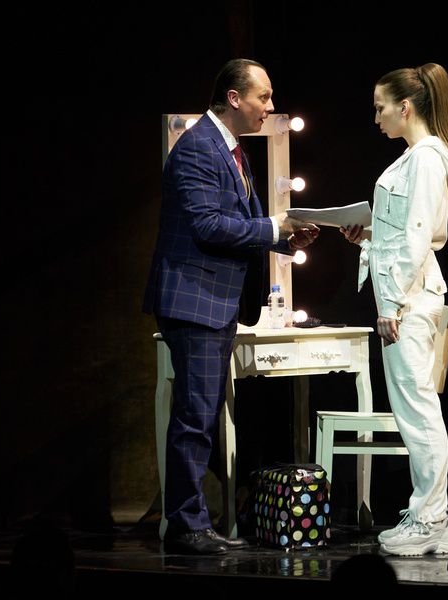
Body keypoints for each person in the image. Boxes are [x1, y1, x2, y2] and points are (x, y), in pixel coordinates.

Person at [143, 58, 319, 554]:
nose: (270, 106)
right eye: (263, 97)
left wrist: (284, 239)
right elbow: (207, 226)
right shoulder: (199, 147)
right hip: (194, 300)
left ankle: (194, 520)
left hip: (214, 302)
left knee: (201, 415)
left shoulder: (230, 149)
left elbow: (236, 220)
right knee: (195, 417)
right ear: (234, 98)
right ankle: (186, 525)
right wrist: (273, 227)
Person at [340, 62, 448, 556]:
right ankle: (426, 513)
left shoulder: (428, 158)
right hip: (404, 295)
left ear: (406, 106)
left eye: (381, 108)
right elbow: (405, 226)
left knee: (419, 410)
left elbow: (419, 234)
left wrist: (392, 302)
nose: (376, 118)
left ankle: (432, 518)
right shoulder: (415, 157)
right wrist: (369, 232)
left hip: (410, 298)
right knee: (413, 408)